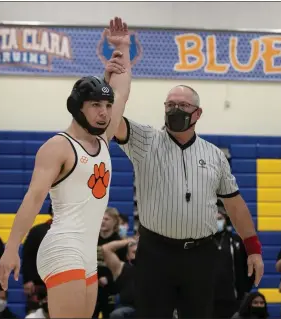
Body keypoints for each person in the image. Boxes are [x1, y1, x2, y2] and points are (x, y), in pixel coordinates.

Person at [0, 16, 132, 318]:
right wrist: (10, 248)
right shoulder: (58, 147)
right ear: (77, 108)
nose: (104, 112)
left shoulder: (105, 139)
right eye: (95, 105)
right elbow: (32, 199)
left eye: (107, 107)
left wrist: (122, 47)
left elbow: (121, 92)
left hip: (86, 252)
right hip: (62, 247)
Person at [106, 60, 264, 317]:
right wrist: (114, 80)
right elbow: (112, 119)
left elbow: (234, 204)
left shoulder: (214, 155)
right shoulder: (145, 140)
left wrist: (253, 249)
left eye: (183, 105)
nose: (175, 110)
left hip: (200, 256)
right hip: (155, 253)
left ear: (198, 113)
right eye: (170, 105)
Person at [213, 202, 254, 318]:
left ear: (226, 220)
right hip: (206, 299)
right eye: (213, 218)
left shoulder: (236, 241)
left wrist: (244, 291)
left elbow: (249, 267)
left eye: (220, 218)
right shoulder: (201, 242)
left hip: (231, 299)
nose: (217, 221)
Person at [94, 208, 127, 318]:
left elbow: (123, 268)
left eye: (107, 219)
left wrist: (108, 278)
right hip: (92, 287)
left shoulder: (119, 242)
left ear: (115, 222)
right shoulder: (92, 239)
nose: (103, 221)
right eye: (101, 218)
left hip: (111, 289)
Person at [22, 203, 53, 313]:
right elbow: (28, 257)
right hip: (39, 284)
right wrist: (27, 280)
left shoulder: (73, 232)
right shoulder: (37, 231)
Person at [101, 238, 137, 319]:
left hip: (149, 309)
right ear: (127, 256)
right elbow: (105, 248)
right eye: (134, 252)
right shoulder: (121, 268)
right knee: (117, 314)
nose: (138, 255)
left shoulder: (151, 268)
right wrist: (128, 240)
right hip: (128, 309)